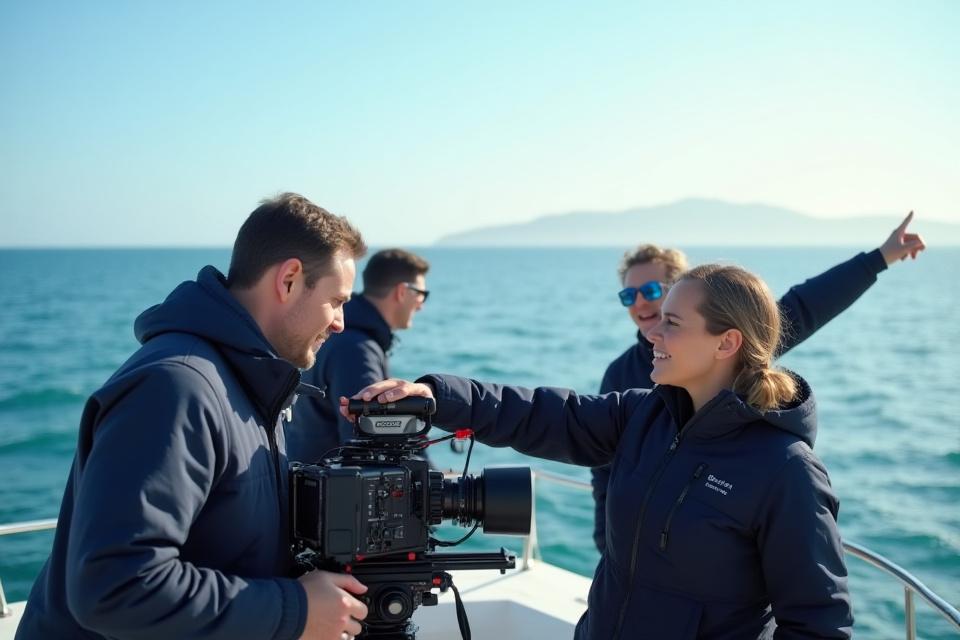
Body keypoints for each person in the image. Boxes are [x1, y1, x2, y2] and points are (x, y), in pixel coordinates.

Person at [345, 263, 854, 639]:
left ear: (727, 343)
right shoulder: (642, 415)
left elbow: (818, 624)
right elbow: (544, 413)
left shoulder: (786, 469)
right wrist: (438, 396)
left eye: (673, 323)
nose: (652, 333)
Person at [16, 193, 370, 640]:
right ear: (289, 280)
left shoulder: (253, 383)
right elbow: (115, 587)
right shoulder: (176, 387)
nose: (340, 322)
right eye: (336, 301)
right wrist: (295, 610)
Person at [591, 211, 926, 552]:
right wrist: (607, 544)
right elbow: (605, 469)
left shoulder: (732, 347)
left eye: (649, 290)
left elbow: (804, 306)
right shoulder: (619, 374)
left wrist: (879, 258)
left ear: (681, 289)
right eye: (628, 295)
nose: (640, 302)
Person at [287, 248, 430, 464]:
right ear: (402, 291)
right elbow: (370, 447)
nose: (421, 305)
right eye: (421, 294)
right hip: (330, 483)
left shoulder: (345, 337)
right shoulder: (356, 350)